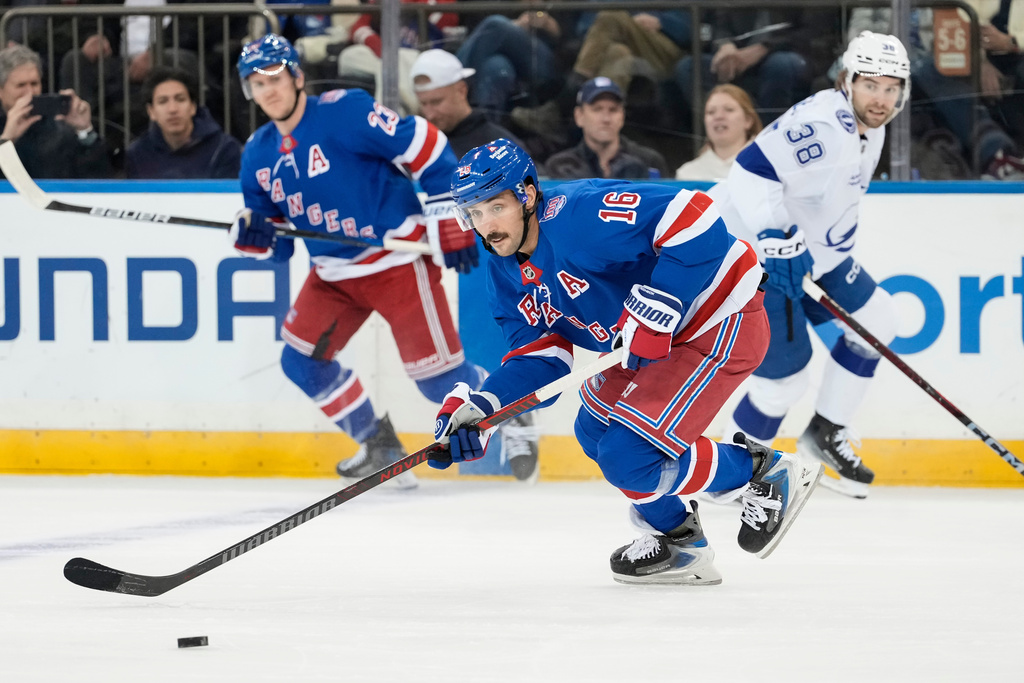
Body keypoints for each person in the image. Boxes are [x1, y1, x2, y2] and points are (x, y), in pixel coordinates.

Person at [427, 138, 823, 584]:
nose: (486, 226)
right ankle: (679, 540)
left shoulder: (579, 214)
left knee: (628, 456)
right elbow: (544, 359)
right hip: (647, 342)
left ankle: (763, 472)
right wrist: (484, 410)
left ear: (528, 194)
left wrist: (663, 301)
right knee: (593, 432)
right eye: (474, 214)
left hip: (717, 316)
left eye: (495, 207)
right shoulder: (503, 271)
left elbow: (696, 216)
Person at [230, 34, 483, 490]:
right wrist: (253, 233)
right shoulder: (258, 152)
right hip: (333, 274)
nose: (266, 89)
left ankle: (510, 404)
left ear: (296, 76)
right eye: (254, 82)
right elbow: (279, 244)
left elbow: (425, 142)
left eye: (273, 77)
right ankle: (378, 442)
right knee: (301, 362)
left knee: (437, 383)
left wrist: (449, 215)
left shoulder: (344, 111)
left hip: (396, 259)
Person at [708, 31, 911, 499]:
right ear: (848, 81)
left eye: (890, 87)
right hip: (761, 258)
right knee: (783, 382)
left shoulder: (870, 126)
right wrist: (774, 235)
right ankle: (729, 479)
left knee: (879, 320)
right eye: (870, 85)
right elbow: (749, 171)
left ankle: (824, 435)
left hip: (818, 257)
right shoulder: (824, 127)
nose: (880, 99)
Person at [0, 44, 111, 180]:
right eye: (21, 85)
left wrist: (85, 131)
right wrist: (7, 139)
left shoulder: (58, 127)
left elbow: (98, 178)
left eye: (34, 84)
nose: (30, 92)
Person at [125, 66, 241, 179]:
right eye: (163, 101)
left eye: (180, 99)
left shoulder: (224, 149)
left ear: (193, 107)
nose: (172, 109)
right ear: (151, 111)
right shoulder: (137, 154)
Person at [545, 77, 667, 180]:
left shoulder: (650, 161)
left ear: (622, 116)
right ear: (579, 116)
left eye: (613, 110)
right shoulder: (560, 166)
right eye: (597, 109)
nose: (606, 119)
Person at [410, 49, 524, 158]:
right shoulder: (415, 145)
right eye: (423, 104)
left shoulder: (501, 149)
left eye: (436, 102)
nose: (430, 115)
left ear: (461, 90)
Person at [675, 84, 762, 181]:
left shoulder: (768, 166)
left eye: (729, 109)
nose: (719, 116)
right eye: (711, 112)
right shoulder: (687, 174)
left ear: (748, 120)